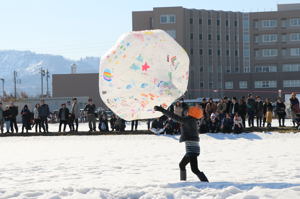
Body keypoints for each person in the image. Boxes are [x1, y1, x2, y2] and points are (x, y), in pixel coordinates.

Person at [154, 105, 209, 182]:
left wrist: (162, 110)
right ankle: (183, 182)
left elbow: (174, 117)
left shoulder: (188, 120)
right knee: (182, 165)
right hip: (192, 148)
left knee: (194, 169)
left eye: (188, 111)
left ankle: (206, 182)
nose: (186, 112)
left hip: (192, 149)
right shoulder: (193, 120)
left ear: (192, 113)